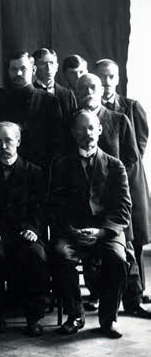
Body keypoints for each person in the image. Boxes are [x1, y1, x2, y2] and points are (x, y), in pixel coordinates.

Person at [74, 74, 151, 318]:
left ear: (102, 90)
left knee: (125, 249)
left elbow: (131, 157)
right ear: (76, 92)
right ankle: (99, 296)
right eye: (83, 88)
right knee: (89, 248)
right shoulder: (73, 121)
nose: (88, 92)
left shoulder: (119, 119)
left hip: (115, 196)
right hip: (86, 199)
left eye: (93, 87)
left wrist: (114, 185)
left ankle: (133, 301)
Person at [48, 110, 131, 338]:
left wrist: (101, 232)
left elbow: (123, 208)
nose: (88, 133)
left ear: (100, 130)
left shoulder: (115, 166)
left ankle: (108, 319)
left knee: (118, 259)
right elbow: (54, 206)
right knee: (60, 253)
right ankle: (75, 315)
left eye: (92, 128)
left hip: (105, 232)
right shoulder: (61, 164)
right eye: (82, 129)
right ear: (73, 133)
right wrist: (71, 231)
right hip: (73, 232)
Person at [0, 122, 49, 335]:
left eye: (8, 140)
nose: (3, 146)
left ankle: (34, 317)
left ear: (18, 141)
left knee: (36, 254)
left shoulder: (34, 172)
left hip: (25, 231)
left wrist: (34, 229)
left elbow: (41, 207)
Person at [95, 59, 150, 302]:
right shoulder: (90, 107)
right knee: (112, 238)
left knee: (133, 237)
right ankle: (107, 292)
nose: (107, 82)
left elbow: (138, 146)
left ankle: (137, 292)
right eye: (102, 77)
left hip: (129, 179)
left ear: (117, 79)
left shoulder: (130, 107)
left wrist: (120, 173)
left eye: (111, 77)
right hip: (102, 183)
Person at [0, 50, 64, 168]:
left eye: (23, 69)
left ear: (33, 70)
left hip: (41, 169)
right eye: (14, 69)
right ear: (8, 71)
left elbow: (56, 142)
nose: (18, 73)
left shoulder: (49, 101)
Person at [33, 48, 77, 120]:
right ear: (34, 68)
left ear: (57, 67)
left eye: (51, 63)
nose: (48, 68)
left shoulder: (68, 95)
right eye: (43, 64)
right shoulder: (30, 92)